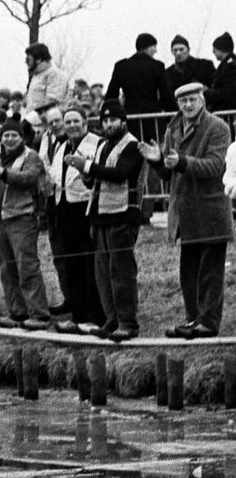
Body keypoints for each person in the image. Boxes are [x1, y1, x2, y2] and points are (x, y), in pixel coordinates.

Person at [141, 82, 234, 338]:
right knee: (188, 273)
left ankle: (208, 323)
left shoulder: (218, 127)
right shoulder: (173, 129)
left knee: (210, 273)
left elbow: (216, 167)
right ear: (177, 104)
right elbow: (169, 173)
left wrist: (181, 162)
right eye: (183, 101)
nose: (188, 105)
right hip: (185, 213)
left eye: (193, 99)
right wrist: (157, 160)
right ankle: (193, 320)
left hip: (211, 210)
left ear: (202, 100)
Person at [69, 99, 145, 341]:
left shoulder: (132, 146)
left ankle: (127, 322)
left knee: (121, 273)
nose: (109, 124)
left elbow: (120, 174)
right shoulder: (104, 146)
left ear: (123, 121)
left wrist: (88, 166)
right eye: (105, 120)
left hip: (123, 216)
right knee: (102, 274)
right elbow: (96, 179)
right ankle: (112, 319)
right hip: (101, 216)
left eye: (113, 120)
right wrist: (85, 173)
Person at [0, 118, 50, 330]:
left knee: (27, 266)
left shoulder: (31, 157)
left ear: (22, 137)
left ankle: (40, 314)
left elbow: (27, 179)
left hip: (21, 217)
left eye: (14, 135)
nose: (9, 139)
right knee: (6, 269)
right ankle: (17, 312)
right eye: (5, 135)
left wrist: (0, 172)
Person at [53, 108, 104, 334]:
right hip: (64, 207)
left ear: (85, 122)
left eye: (76, 121)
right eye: (68, 121)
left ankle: (94, 315)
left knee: (89, 263)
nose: (72, 125)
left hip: (86, 206)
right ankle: (77, 312)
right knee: (71, 263)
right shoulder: (63, 145)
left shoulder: (95, 143)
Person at [166, 35, 216, 101]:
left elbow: (214, 89)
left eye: (181, 49)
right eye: (175, 50)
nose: (178, 53)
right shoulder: (168, 73)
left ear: (188, 50)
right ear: (172, 52)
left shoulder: (205, 66)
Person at [23, 43, 68, 115]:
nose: (26, 62)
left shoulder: (54, 74)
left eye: (28, 59)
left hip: (47, 123)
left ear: (38, 59)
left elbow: (52, 104)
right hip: (33, 123)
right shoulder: (36, 77)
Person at [207, 32, 236, 111]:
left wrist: (207, 92)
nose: (213, 52)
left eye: (215, 50)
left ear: (222, 49)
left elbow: (228, 93)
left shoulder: (231, 67)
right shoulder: (225, 65)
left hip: (229, 110)